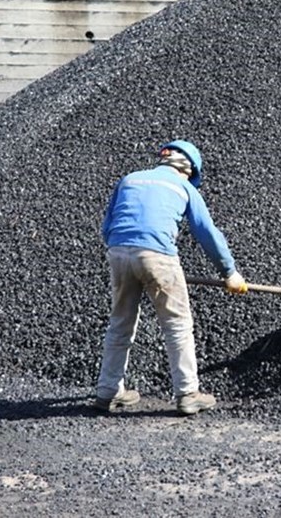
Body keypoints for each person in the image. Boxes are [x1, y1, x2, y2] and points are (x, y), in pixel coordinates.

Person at [94, 139, 247, 415]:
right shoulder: (184, 187)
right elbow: (207, 233)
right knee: (177, 324)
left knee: (120, 322)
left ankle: (108, 391)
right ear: (188, 170)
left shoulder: (130, 179)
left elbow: (107, 227)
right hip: (158, 255)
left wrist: (127, 253)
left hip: (117, 252)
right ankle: (188, 393)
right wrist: (229, 272)